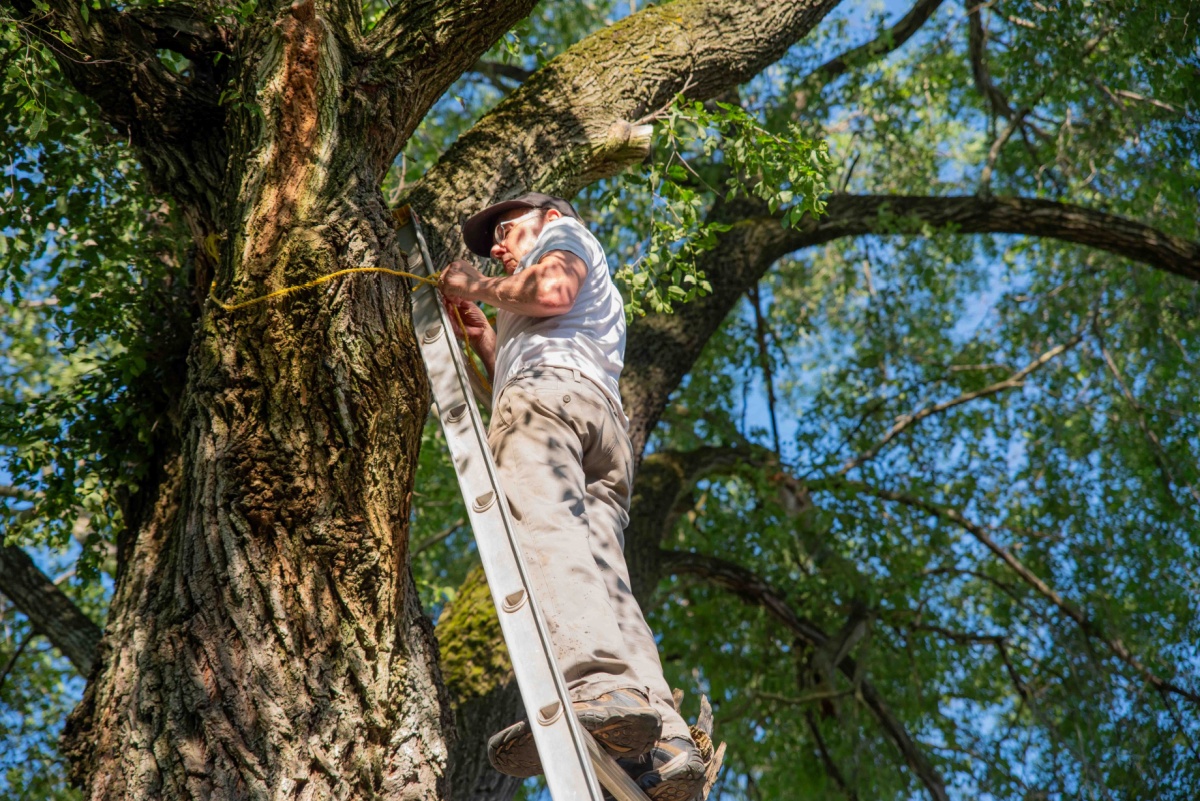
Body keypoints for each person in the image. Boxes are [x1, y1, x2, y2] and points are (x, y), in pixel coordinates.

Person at [438, 192, 706, 800]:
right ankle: (663, 741)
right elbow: (529, 365)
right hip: (593, 422)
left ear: (550, 218)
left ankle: (596, 686)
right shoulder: (555, 283)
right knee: (608, 579)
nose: (500, 247)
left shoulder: (566, 241)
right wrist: (486, 338)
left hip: (552, 404)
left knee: (545, 531)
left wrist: (474, 282)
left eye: (507, 231)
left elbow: (550, 297)